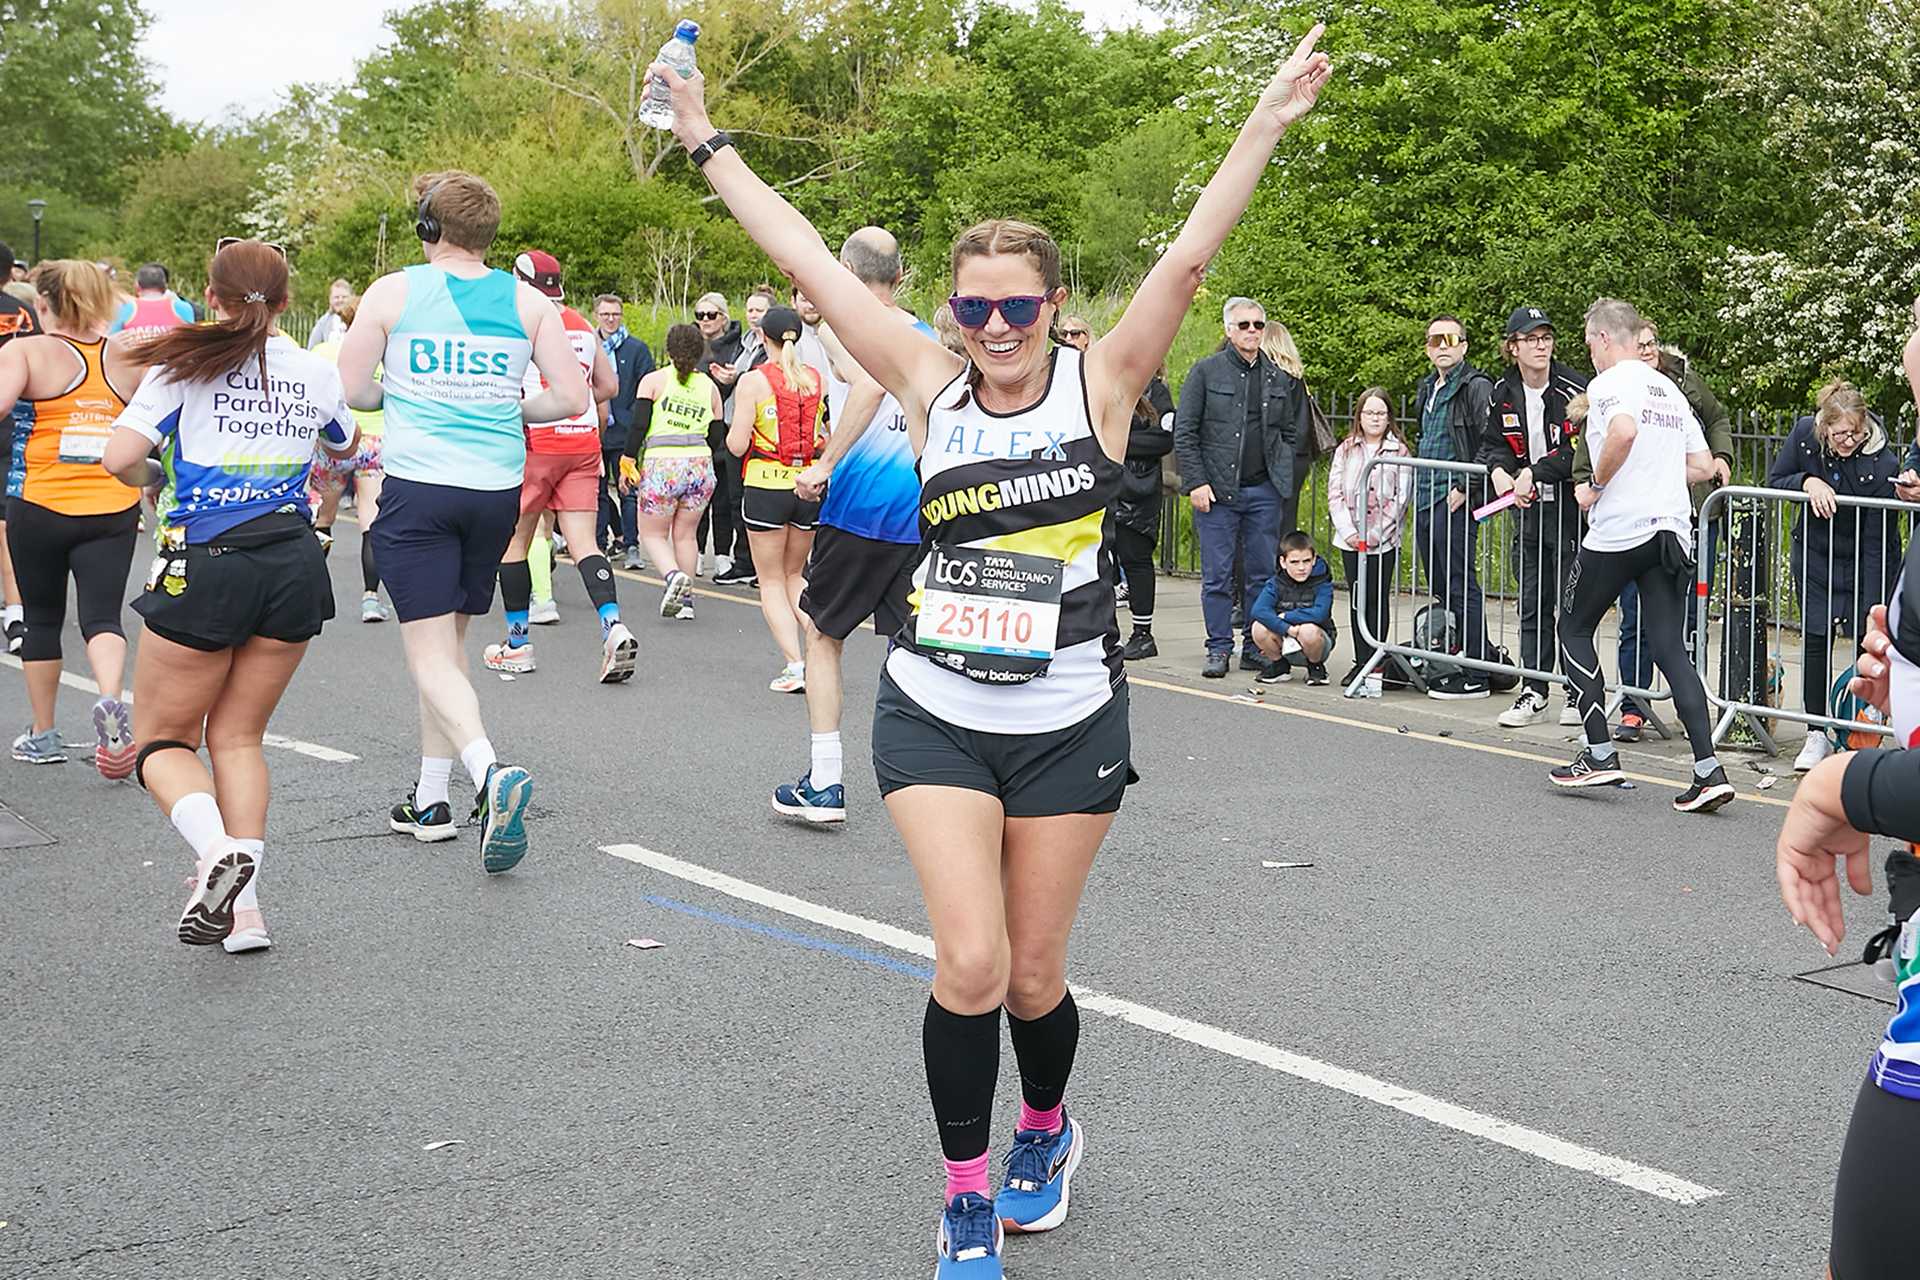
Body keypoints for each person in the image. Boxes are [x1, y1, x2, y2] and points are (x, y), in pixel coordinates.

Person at [652, 24, 1330, 1277]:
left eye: (1018, 305)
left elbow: (1188, 259)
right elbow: (799, 249)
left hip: (1072, 716)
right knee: (966, 961)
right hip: (936, 709)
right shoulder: (924, 377)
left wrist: (1266, 122)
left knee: (1031, 974)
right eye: (976, 307)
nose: (997, 324)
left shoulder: (1103, 384)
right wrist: (705, 141)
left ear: (1052, 304)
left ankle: (1047, 1127)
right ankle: (966, 1190)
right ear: (952, 312)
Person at [100, 240, 358, 953]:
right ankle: (245, 914)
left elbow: (118, 458)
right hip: (293, 560)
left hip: (205, 564)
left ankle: (216, 854)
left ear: (210, 298)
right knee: (239, 737)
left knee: (162, 739)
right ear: (284, 302)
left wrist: (157, 475)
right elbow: (346, 447)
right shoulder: (316, 369)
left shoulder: (182, 365)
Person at [336, 170, 591, 863]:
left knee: (426, 653)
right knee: (445, 653)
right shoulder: (528, 303)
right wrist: (508, 406)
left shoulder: (394, 291)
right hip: (494, 491)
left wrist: (404, 394)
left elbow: (352, 389)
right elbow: (570, 396)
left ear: (428, 228)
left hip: (421, 486)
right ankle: (431, 798)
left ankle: (488, 773)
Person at [773, 227, 934, 822]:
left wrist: (825, 461)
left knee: (821, 633)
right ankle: (927, 779)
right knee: (914, 648)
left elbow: (864, 383)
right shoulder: (924, 337)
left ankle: (825, 780)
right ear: (901, 276)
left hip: (860, 509)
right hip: (921, 513)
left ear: (844, 272)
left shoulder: (853, 330)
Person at [1551, 297, 1732, 811]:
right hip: (1672, 531)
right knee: (1670, 646)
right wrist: (1652, 475)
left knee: (1574, 627)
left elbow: (1624, 432)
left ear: (1606, 338)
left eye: (1590, 345)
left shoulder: (1610, 383)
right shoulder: (1670, 390)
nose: (1590, 357)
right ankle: (1707, 770)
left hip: (1619, 531)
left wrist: (1598, 484)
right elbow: (1701, 466)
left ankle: (1600, 753)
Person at [0, 260, 148, 773]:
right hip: (112, 504)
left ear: (42, 304)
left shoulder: (25, 350)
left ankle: (43, 734)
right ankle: (110, 700)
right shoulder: (127, 355)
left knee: (41, 618)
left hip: (38, 503)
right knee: (102, 617)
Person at [481, 250, 632, 682]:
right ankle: (613, 627)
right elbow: (608, 385)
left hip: (534, 439)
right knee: (586, 543)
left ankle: (516, 643)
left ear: (520, 280)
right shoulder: (584, 325)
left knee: (516, 542)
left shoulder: (517, 320)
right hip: (582, 440)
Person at [1767, 379, 1903, 772]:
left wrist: (1877, 596)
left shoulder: (1883, 460)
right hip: (1815, 555)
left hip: (1866, 557)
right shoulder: (1803, 437)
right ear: (1824, 428)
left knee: (1866, 645)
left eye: (1856, 433)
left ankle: (1860, 730)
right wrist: (1806, 481)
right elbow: (1775, 480)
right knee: (1815, 638)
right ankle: (1815, 732)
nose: (1849, 441)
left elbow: (1882, 534)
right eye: (1841, 433)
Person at [1610, 320, 1735, 741]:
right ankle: (1633, 705)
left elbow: (1717, 417)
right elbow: (1601, 439)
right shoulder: (1619, 384)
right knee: (1635, 616)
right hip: (1640, 517)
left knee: (1691, 616)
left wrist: (1720, 456)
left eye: (1650, 343)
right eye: (1638, 344)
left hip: (1692, 512)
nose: (1645, 350)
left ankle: (1690, 707)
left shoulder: (1683, 379)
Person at [1174, 296, 1304, 680]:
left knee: (1262, 575)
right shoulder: (1206, 373)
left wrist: (1279, 479)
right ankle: (1218, 648)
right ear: (1229, 329)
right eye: (1244, 325)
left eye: (1258, 325)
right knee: (1216, 577)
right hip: (1216, 494)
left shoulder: (1276, 378)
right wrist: (1196, 481)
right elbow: (1185, 432)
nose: (1252, 331)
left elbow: (1288, 433)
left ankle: (1254, 646)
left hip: (1263, 492)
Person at [1481, 306, 1588, 728]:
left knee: (1572, 605)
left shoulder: (1573, 389)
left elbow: (1578, 450)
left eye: (1546, 338)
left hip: (1567, 510)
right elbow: (1493, 443)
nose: (1541, 346)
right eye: (1531, 339)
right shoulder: (1500, 391)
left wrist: (1532, 473)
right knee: (1532, 601)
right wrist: (1499, 472)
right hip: (1526, 513)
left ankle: (1577, 692)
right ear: (1513, 347)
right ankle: (1534, 688)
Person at [728, 304, 827, 693]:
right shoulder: (814, 379)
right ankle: (821, 645)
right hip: (807, 487)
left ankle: (795, 664)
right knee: (794, 576)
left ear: (762, 338)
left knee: (770, 581)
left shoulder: (754, 381)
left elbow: (736, 445)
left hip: (765, 486)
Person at [1410, 313, 1496, 699]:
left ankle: (1477, 667)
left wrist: (1466, 485)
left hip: (1455, 498)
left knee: (1462, 583)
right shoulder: (1427, 387)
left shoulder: (1475, 387)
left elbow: (1489, 441)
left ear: (1463, 345)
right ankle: (1468, 653)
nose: (1442, 346)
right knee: (1442, 585)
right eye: (1434, 340)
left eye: (1450, 339)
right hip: (1427, 497)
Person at [621, 323, 720, 619]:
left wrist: (628, 462)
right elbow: (716, 436)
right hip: (700, 462)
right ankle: (686, 601)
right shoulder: (710, 386)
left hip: (663, 461)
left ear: (668, 350)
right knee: (686, 535)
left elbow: (638, 426)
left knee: (651, 533)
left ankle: (671, 576)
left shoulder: (653, 381)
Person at [308, 302, 392, 622]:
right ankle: (371, 598)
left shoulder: (323, 350)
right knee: (370, 520)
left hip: (332, 443)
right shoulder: (385, 351)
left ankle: (312, 595)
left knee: (323, 520)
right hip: (374, 441)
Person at [1327, 386, 1412, 689]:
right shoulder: (1346, 448)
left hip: (1383, 541)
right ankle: (1360, 662)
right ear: (1359, 417)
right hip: (1351, 539)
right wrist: (1349, 532)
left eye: (1380, 412)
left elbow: (1400, 499)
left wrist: (1376, 534)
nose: (1374, 418)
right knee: (1357, 600)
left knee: (1377, 600)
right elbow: (1334, 492)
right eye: (1368, 412)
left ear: (1389, 417)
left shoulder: (1399, 451)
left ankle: (1375, 663)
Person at [1115, 361, 1174, 660]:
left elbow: (1163, 439)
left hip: (1138, 489)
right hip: (1105, 485)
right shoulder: (1109, 387)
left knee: (1136, 561)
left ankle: (1142, 634)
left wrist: (1116, 441)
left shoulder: (1157, 392)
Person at [692, 292, 753, 583]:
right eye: (700, 315)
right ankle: (696, 552)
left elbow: (742, 382)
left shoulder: (737, 346)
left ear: (723, 316)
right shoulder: (692, 344)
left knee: (726, 499)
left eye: (711, 315)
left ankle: (723, 554)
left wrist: (728, 379)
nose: (705, 321)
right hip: (696, 428)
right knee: (697, 498)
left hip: (727, 427)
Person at [0, 238, 41, 655]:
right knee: (6, 522)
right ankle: (15, 611)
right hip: (12, 422)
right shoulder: (23, 311)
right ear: (12, 272)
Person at [593, 292, 653, 568]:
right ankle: (599, 545)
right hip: (597, 431)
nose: (610, 319)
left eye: (615, 314)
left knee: (628, 491)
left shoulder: (636, 349)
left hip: (626, 432)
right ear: (596, 316)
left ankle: (632, 545)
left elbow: (646, 389)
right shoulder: (588, 345)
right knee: (598, 492)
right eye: (605, 314)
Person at [1250, 529, 1335, 683]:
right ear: (1283, 562)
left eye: (1306, 561)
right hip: (1285, 637)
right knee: (1258, 627)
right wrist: (1289, 629)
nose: (1301, 568)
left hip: (1316, 642)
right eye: (1294, 562)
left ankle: (1315, 668)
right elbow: (1259, 610)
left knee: (1308, 630)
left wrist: (1287, 616)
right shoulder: (1275, 583)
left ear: (1314, 559)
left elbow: (1321, 613)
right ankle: (1279, 666)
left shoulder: (1323, 583)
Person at [1260, 320, 1317, 538]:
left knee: (1267, 519)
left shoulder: (1273, 379)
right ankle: (1287, 565)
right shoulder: (1297, 378)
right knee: (1287, 517)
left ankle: (1274, 567)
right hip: (1299, 455)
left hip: (1279, 454)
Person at [109, 263, 194, 339]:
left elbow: (111, 342)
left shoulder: (123, 310)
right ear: (165, 288)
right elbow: (192, 341)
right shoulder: (183, 308)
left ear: (137, 287)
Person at [306, 279, 356, 348]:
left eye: (344, 297)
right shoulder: (323, 322)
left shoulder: (358, 320)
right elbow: (312, 348)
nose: (340, 300)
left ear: (352, 297)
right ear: (330, 299)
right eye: (336, 297)